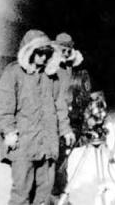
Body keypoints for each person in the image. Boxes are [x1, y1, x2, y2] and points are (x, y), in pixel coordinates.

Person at [0, 30, 75, 205]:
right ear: (29, 51)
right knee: (21, 194)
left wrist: (66, 129)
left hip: (47, 144)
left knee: (44, 194)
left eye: (47, 53)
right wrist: (8, 131)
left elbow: (59, 106)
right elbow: (2, 105)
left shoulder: (52, 78)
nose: (43, 58)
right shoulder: (14, 73)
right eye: (39, 53)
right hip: (23, 144)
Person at [49, 32, 86, 204]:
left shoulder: (69, 67)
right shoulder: (53, 68)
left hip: (63, 118)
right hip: (51, 121)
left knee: (61, 162)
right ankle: (56, 197)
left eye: (68, 50)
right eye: (61, 49)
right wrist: (64, 128)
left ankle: (59, 196)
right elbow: (58, 100)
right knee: (55, 163)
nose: (65, 53)